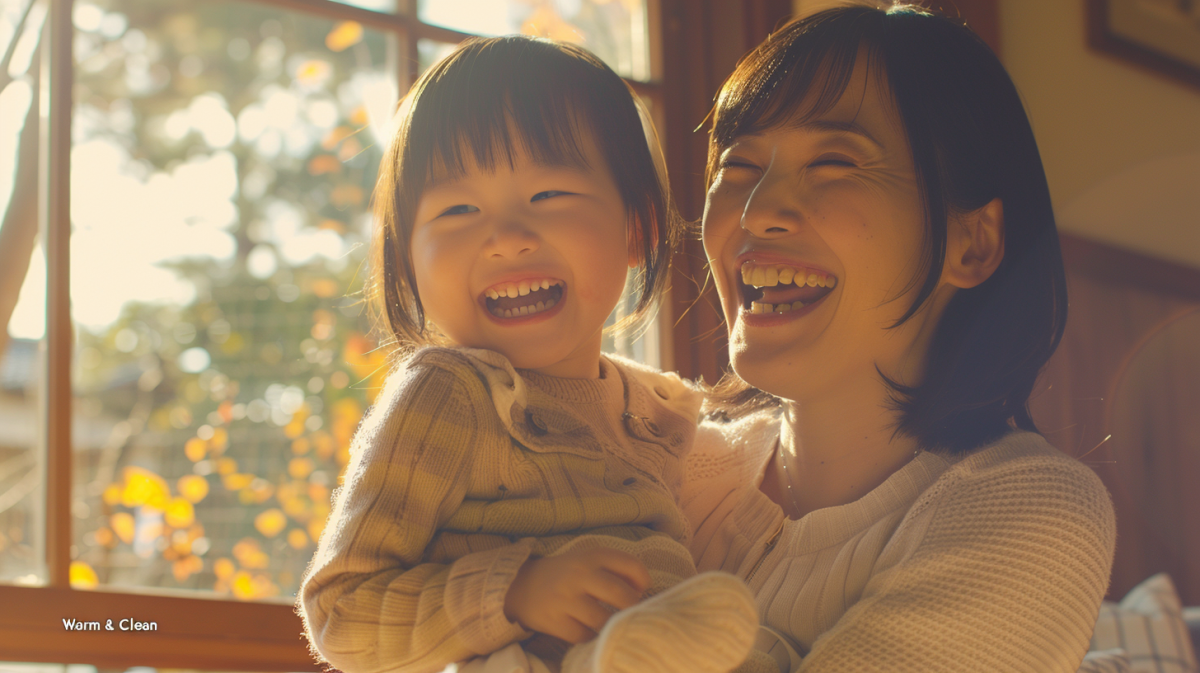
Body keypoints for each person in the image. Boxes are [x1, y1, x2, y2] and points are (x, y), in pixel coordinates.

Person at [297, 36, 775, 673]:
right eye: (458, 209)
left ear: (639, 230)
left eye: (549, 196)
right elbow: (342, 611)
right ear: (407, 259)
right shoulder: (445, 393)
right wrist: (516, 593)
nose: (506, 238)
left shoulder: (661, 411)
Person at [684, 5, 1117, 672]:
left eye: (833, 161)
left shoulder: (1032, 511)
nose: (756, 210)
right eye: (739, 167)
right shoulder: (671, 465)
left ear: (973, 244)